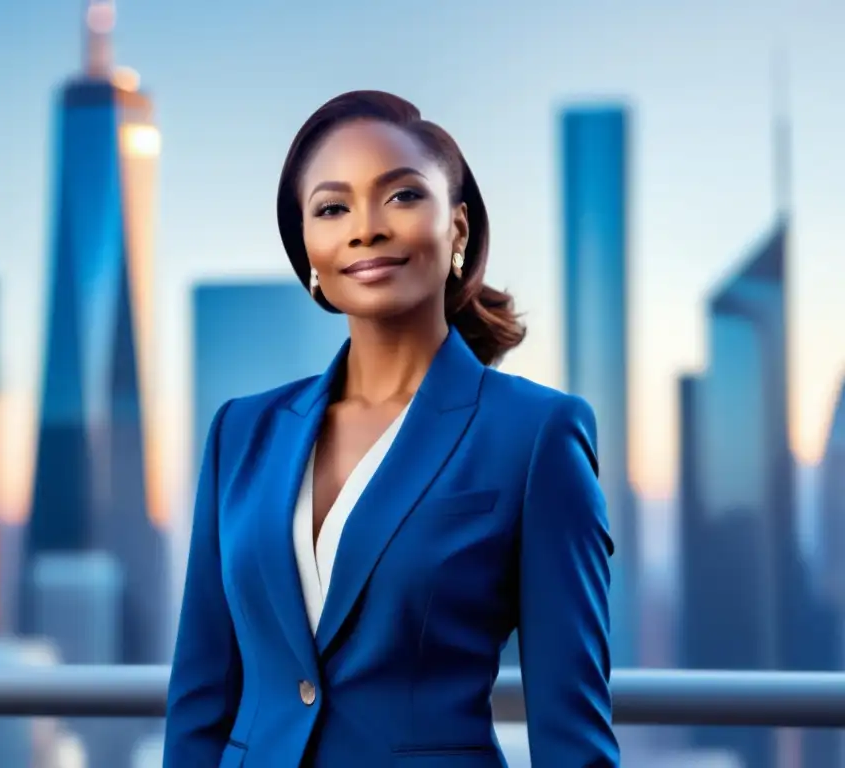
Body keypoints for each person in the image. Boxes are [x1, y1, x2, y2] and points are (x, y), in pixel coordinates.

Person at [164, 90, 620, 767]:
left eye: (401, 197)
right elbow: (200, 699)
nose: (365, 227)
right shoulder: (242, 433)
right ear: (310, 255)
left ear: (458, 231)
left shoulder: (536, 437)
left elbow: (571, 735)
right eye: (332, 207)